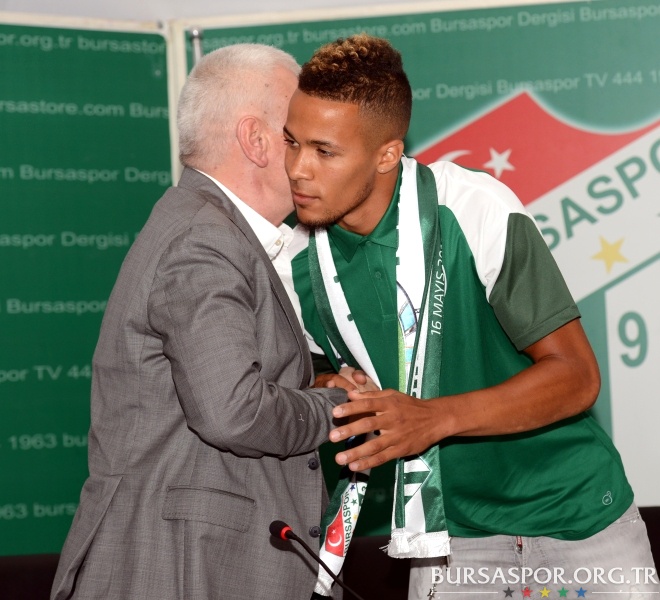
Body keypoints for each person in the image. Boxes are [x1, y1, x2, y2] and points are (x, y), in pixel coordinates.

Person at [287, 34, 659, 599]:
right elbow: (309, 377)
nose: (298, 169)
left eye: (324, 151)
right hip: (448, 538)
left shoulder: (472, 208)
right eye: (291, 142)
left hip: (577, 516)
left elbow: (577, 377)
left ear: (387, 154)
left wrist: (431, 418)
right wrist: (331, 386)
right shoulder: (291, 261)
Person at [50, 44, 350, 600]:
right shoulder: (205, 239)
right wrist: (339, 407)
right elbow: (233, 412)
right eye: (297, 136)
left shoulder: (210, 228)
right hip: (180, 568)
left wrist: (313, 382)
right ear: (256, 140)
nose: (310, 156)